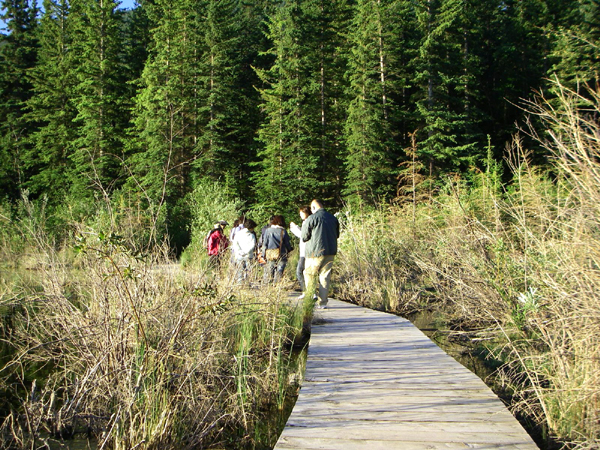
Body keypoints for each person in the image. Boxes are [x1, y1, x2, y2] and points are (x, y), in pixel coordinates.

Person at [301, 199, 339, 310]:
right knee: (325, 276)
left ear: (313, 208)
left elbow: (304, 237)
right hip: (330, 251)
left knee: (309, 274)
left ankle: (311, 295)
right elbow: (336, 235)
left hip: (314, 252)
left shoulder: (311, 219)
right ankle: (322, 303)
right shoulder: (333, 218)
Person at [261, 215, 293, 284]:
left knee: (270, 270)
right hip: (282, 254)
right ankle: (277, 285)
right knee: (279, 271)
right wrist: (289, 250)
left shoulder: (268, 230)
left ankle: (269, 286)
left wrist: (263, 254)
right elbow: (287, 244)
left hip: (270, 254)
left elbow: (265, 243)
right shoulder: (283, 231)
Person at [289, 205, 312, 297]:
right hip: (306, 251)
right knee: (306, 272)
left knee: (300, 271)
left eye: (301, 213)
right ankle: (308, 291)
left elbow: (303, 236)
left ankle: (306, 291)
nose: (300, 215)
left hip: (305, 251)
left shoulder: (307, 221)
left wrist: (294, 228)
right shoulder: (306, 222)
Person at [232, 218, 257, 284]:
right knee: (248, 271)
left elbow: (235, 244)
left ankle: (239, 284)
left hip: (239, 255)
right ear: (251, 227)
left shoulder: (238, 234)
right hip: (248, 255)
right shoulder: (251, 235)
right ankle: (247, 284)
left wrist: (239, 251)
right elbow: (252, 245)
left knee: (240, 271)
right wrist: (246, 252)